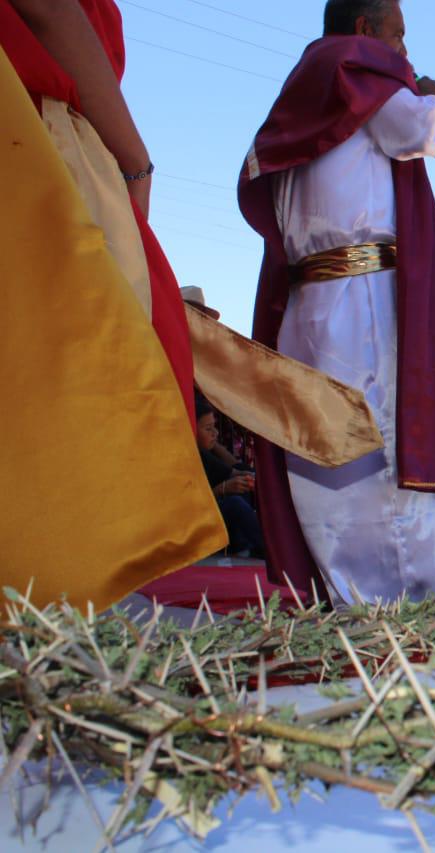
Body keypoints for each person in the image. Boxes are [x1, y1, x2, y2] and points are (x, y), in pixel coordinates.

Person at [239, 0, 435, 603]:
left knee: (325, 451)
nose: (403, 52)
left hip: (305, 302)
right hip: (366, 297)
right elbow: (419, 133)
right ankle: (432, 593)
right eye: (397, 36)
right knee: (387, 441)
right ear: (364, 32)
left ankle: (346, 595)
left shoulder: (299, 89)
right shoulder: (356, 69)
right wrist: (432, 98)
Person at [1, 0, 226, 609]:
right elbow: (49, 10)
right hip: (35, 134)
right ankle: (60, 592)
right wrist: (134, 161)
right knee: (79, 368)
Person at [196, 398, 266, 559]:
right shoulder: (183, 458)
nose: (215, 433)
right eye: (208, 429)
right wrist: (223, 489)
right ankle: (268, 548)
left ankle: (244, 544)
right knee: (234, 503)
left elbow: (234, 471)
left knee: (244, 482)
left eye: (214, 427)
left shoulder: (205, 454)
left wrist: (253, 479)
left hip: (213, 519)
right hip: (192, 524)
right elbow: (191, 508)